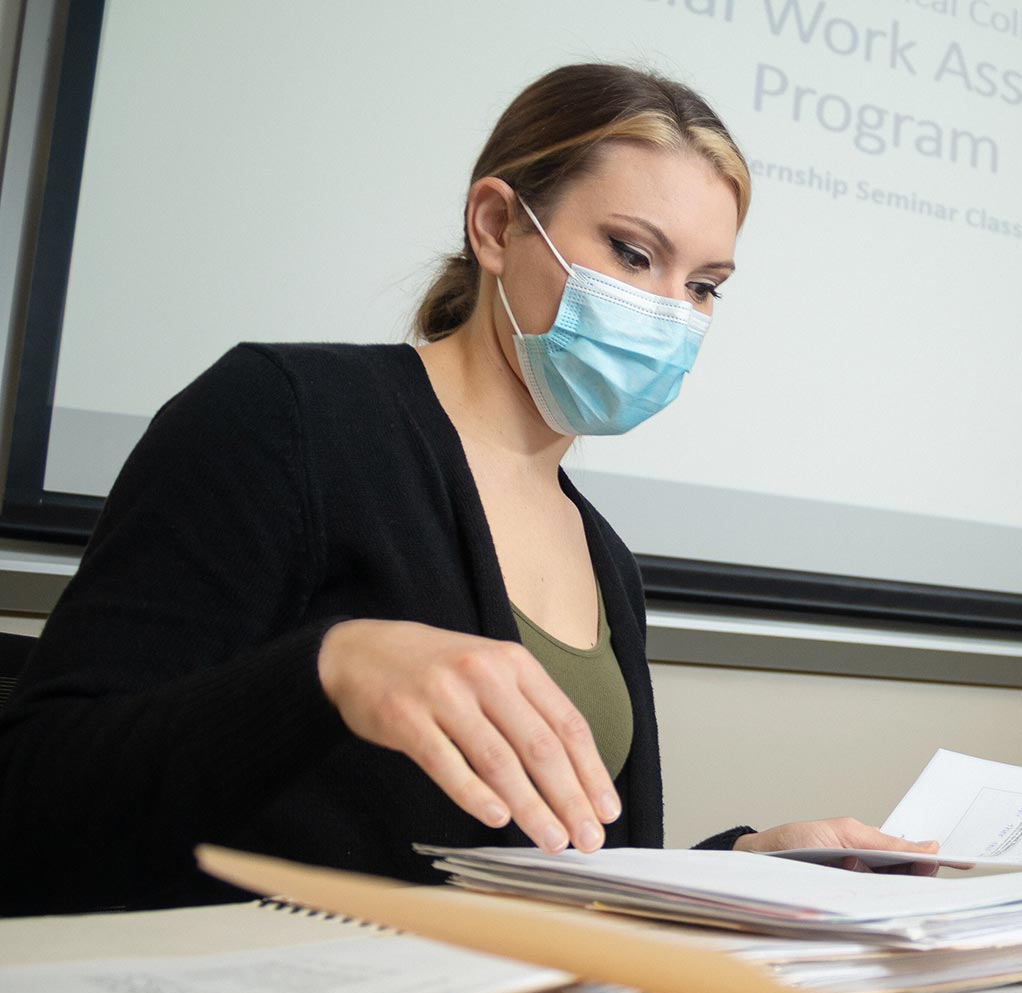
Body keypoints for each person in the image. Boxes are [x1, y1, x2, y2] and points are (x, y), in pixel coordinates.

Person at [0, 64, 933, 916]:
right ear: (494, 226)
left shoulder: (602, 555)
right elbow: (36, 795)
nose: (666, 313)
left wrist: (746, 866)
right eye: (632, 254)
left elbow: (566, 883)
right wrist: (328, 668)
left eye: (705, 286)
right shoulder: (286, 416)